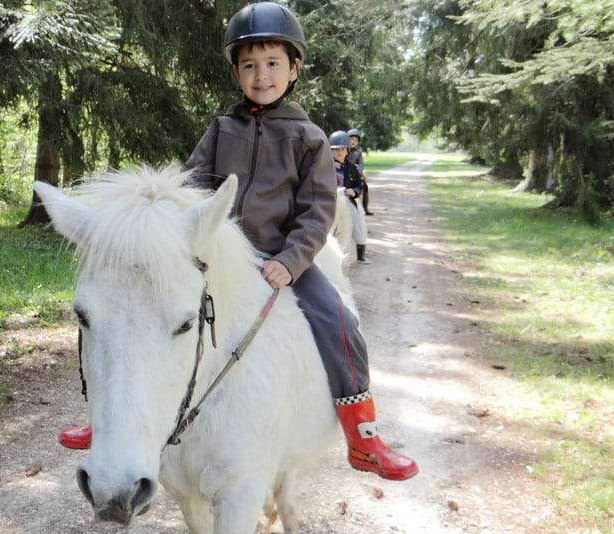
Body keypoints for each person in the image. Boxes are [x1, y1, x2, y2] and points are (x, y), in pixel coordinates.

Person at [58, 2, 418, 482]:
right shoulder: (221, 130)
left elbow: (317, 211)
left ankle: (363, 433)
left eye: (272, 64)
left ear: (294, 68)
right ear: (236, 72)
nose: (261, 75)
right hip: (219, 256)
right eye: (249, 65)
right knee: (130, 315)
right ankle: (111, 422)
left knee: (338, 320)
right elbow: (188, 188)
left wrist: (292, 261)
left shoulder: (308, 137)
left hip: (280, 259)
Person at [330, 130, 369, 264]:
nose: (339, 152)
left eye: (342, 149)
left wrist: (354, 191)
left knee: (358, 221)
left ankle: (360, 251)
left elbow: (359, 185)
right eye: (335, 150)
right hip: (328, 199)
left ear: (348, 150)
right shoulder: (324, 166)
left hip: (346, 199)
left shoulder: (352, 168)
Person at [347, 127, 372, 215]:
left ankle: (365, 208)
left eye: (355, 140)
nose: (353, 142)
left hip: (355, 174)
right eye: (351, 139)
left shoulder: (358, 151)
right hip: (346, 173)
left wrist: (360, 172)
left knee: (364, 185)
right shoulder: (344, 149)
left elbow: (361, 164)